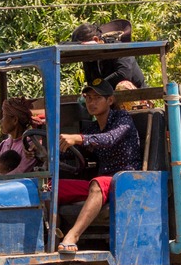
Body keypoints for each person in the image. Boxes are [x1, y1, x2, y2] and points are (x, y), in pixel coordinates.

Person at [55, 78, 141, 253]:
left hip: (126, 181)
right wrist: (50, 147)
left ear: (110, 100)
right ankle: (52, 234)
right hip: (103, 182)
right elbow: (74, 150)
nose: (91, 102)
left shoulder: (123, 119)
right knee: (52, 187)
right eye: (88, 98)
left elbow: (109, 139)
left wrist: (78, 138)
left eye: (96, 98)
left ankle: (72, 236)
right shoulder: (92, 128)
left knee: (97, 184)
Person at [70, 20, 147, 90]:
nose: (84, 53)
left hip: (137, 98)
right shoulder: (88, 57)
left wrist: (99, 86)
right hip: (108, 98)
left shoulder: (118, 47)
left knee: (123, 86)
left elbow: (124, 74)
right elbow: (91, 82)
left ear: (96, 40)